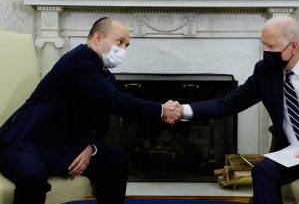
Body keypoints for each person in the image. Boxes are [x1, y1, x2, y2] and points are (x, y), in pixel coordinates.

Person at [0, 17, 181, 204]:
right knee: (32, 177)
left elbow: (102, 122)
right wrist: (161, 110)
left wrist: (91, 147)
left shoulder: (105, 76)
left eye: (127, 45)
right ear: (97, 38)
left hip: (64, 144)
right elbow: (117, 102)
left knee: (116, 160)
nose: (123, 50)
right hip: (28, 142)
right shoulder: (78, 61)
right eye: (120, 42)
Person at [170, 16, 299, 204]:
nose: (266, 52)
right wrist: (182, 110)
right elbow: (229, 103)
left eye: (271, 47)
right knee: (263, 171)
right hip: (296, 152)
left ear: (293, 46)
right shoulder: (266, 71)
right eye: (263, 45)